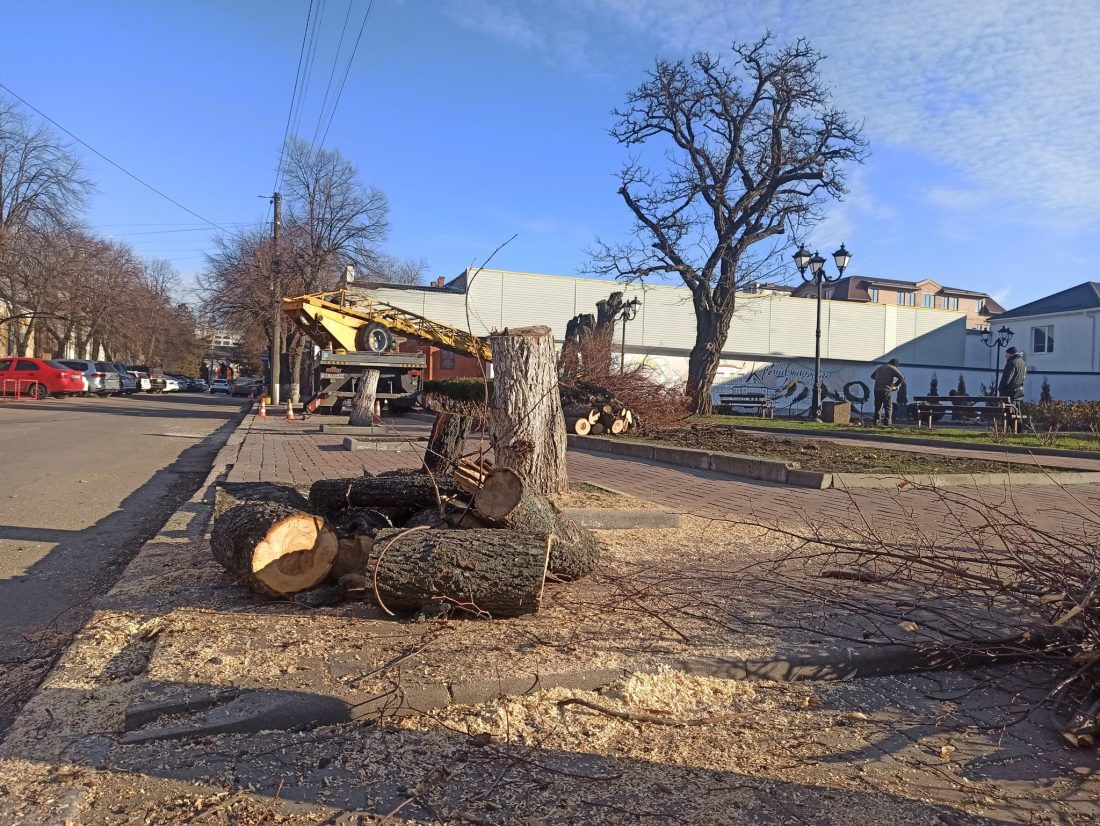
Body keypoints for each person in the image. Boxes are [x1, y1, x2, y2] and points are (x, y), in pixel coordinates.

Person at [870, 358, 905, 425]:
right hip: (886, 389)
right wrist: (894, 385)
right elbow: (902, 377)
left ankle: (876, 422)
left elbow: (872, 376)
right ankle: (887, 423)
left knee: (878, 407)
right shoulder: (892, 368)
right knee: (888, 407)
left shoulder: (880, 367)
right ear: (895, 365)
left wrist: (880, 379)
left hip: (876, 389)